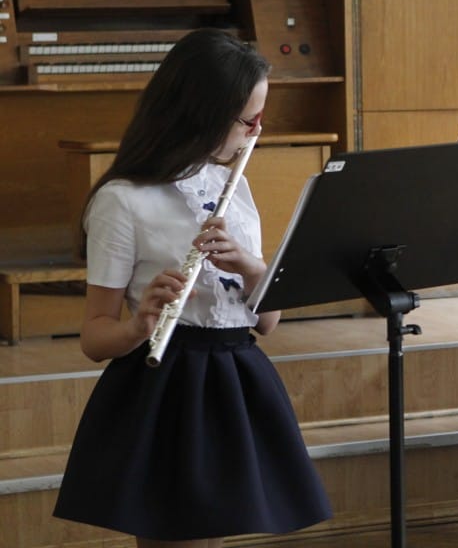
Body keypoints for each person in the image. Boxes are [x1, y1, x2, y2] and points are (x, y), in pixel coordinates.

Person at [53, 29, 332, 547]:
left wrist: (251, 267)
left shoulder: (234, 187)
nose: (256, 132)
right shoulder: (123, 201)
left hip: (238, 378)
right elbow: (94, 337)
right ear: (203, 114)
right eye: (248, 120)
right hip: (167, 387)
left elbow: (268, 323)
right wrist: (139, 325)